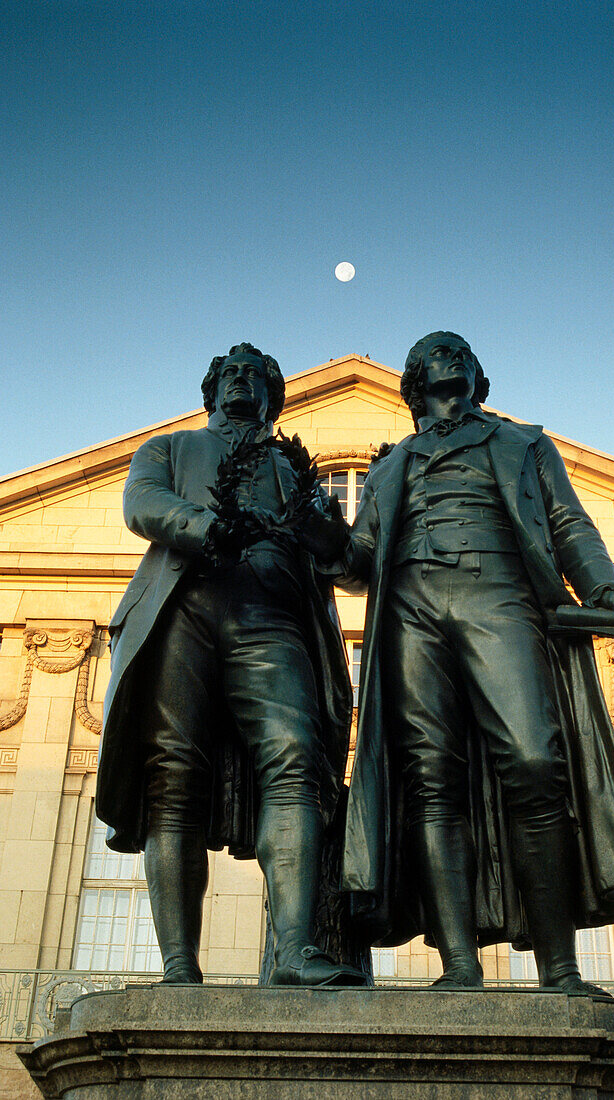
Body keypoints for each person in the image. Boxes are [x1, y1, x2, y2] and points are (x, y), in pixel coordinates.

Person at [334, 331, 614, 992]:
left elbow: (568, 522)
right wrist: (311, 524)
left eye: (458, 351)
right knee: (430, 779)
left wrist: (605, 588)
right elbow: (356, 563)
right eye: (431, 355)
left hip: (500, 594)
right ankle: (458, 965)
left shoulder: (521, 443)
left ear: (478, 375)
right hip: (411, 613)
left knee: (535, 762)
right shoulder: (393, 465)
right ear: (416, 382)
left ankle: (559, 969)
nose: (446, 356)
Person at [96, 342, 364, 987]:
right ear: (211, 391)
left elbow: (350, 564)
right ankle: (179, 966)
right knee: (174, 774)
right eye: (231, 372)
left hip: (273, 613)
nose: (243, 380)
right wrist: (206, 526)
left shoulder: (297, 469)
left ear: (275, 396)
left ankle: (296, 950)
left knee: (296, 756)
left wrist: (320, 522)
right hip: (185, 602)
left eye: (257, 374)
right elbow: (142, 505)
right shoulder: (170, 448)